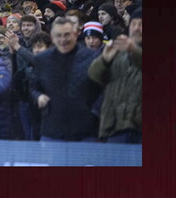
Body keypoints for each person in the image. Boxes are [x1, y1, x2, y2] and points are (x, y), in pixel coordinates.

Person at [30, 16, 102, 142]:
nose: (63, 39)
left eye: (67, 35)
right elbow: (33, 86)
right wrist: (38, 96)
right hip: (52, 129)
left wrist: (94, 113)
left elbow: (103, 89)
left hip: (85, 131)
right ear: (52, 38)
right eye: (59, 35)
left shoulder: (92, 57)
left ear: (75, 35)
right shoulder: (42, 59)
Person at [88, 12, 142, 143]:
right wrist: (104, 60)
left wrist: (133, 49)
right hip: (115, 125)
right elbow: (94, 75)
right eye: (133, 24)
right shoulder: (118, 51)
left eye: (141, 25)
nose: (136, 28)